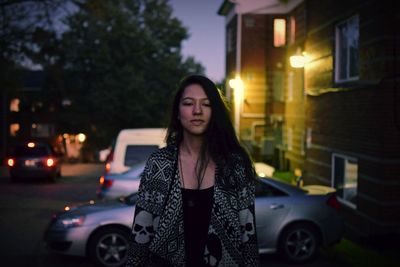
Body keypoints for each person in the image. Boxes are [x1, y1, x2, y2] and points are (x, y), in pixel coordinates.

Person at [126, 75, 259, 266]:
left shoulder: (234, 164)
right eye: (189, 103)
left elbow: (249, 235)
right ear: (178, 113)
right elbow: (140, 234)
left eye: (206, 104)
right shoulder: (159, 163)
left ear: (215, 112)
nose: (197, 111)